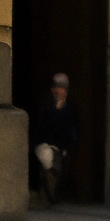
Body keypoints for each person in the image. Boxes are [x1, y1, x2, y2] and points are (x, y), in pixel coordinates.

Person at [31, 73, 76, 205]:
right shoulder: (47, 106)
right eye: (55, 87)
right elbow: (41, 127)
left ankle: (51, 196)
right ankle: (46, 196)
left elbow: (71, 129)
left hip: (61, 146)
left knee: (57, 169)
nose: (57, 90)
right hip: (45, 143)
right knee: (46, 161)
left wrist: (68, 146)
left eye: (60, 88)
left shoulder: (70, 109)